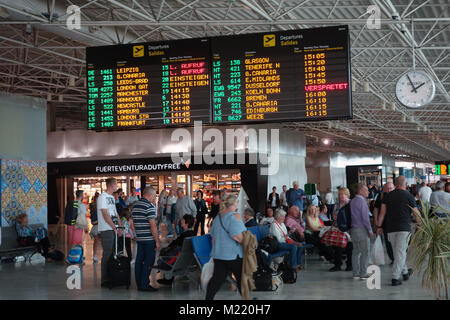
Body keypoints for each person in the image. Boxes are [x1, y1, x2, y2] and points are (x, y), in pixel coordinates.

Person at [377, 176, 421, 286]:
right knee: (400, 253)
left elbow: (382, 213)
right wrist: (421, 224)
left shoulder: (387, 196)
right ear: (405, 184)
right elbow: (416, 213)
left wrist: (378, 226)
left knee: (398, 252)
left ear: (396, 184)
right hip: (404, 229)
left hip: (390, 229)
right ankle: (395, 278)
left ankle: (405, 272)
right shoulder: (409, 196)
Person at [205, 194, 246, 300]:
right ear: (234, 204)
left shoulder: (218, 218)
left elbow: (213, 239)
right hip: (233, 255)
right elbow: (238, 237)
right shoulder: (235, 216)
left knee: (216, 280)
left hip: (219, 255)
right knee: (241, 279)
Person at [131, 187, 160, 292]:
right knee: (148, 261)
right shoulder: (149, 206)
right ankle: (144, 284)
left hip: (140, 238)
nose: (154, 198)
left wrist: (137, 234)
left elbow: (132, 223)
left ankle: (139, 283)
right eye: (154, 196)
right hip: (149, 239)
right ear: (150, 195)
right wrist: (157, 241)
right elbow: (153, 225)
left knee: (139, 261)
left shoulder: (135, 206)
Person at [157, 214, 196, 285]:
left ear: (186, 223)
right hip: (186, 260)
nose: (181, 221)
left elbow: (174, 245)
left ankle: (168, 279)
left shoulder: (183, 236)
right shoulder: (193, 234)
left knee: (165, 254)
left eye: (183, 220)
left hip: (177, 260)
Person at [97, 177, 121, 288]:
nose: (117, 186)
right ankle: (104, 280)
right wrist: (113, 227)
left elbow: (115, 213)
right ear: (112, 185)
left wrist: (119, 226)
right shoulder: (102, 197)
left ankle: (112, 275)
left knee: (113, 253)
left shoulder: (111, 197)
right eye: (116, 184)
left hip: (113, 228)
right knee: (107, 254)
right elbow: (105, 214)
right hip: (107, 229)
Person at [349, 183, 373, 280]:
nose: (368, 192)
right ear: (360, 191)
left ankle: (355, 273)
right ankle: (363, 274)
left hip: (353, 229)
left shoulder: (352, 201)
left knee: (356, 252)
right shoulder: (362, 201)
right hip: (362, 229)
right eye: (366, 190)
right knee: (365, 252)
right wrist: (370, 230)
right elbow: (365, 218)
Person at [329, 187, 353, 272]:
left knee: (349, 247)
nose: (341, 196)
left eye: (342, 194)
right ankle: (337, 265)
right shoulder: (337, 205)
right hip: (338, 228)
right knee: (337, 247)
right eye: (340, 194)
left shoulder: (351, 203)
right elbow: (334, 215)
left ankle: (350, 265)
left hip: (349, 228)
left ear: (347, 195)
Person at [372, 182, 395, 264]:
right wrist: (376, 221)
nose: (389, 190)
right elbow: (376, 209)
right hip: (385, 223)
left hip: (396, 223)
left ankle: (397, 258)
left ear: (394, 188)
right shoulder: (381, 196)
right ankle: (393, 258)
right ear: (384, 189)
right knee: (388, 242)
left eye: (391, 188)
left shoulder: (397, 196)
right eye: (387, 188)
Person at [89, 192, 101, 263]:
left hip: (100, 226)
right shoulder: (93, 208)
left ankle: (95, 255)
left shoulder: (101, 207)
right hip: (96, 227)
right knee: (96, 241)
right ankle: (94, 255)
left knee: (98, 241)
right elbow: (93, 222)